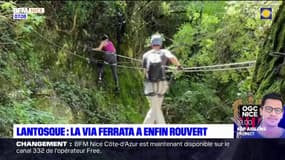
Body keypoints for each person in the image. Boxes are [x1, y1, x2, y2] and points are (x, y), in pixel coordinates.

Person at [142, 33, 181, 124]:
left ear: (151, 43)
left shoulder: (145, 55)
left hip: (150, 85)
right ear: (160, 44)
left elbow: (144, 72)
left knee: (155, 108)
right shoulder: (164, 52)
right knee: (155, 109)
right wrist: (179, 66)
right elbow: (172, 58)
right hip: (161, 85)